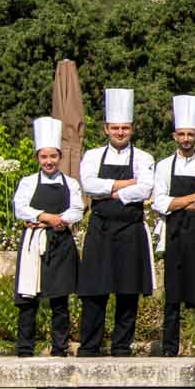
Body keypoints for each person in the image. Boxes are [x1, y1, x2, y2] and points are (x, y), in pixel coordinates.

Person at [77, 88, 154, 357]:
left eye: (125, 128)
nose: (120, 132)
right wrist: (127, 185)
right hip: (100, 228)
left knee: (128, 290)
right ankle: (89, 346)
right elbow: (88, 184)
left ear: (132, 128)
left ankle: (122, 346)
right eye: (115, 128)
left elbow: (145, 190)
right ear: (106, 129)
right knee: (94, 290)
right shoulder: (92, 156)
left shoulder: (144, 157)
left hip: (131, 229)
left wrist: (110, 190)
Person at [13, 115, 83, 356]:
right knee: (27, 299)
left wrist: (60, 220)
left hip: (61, 242)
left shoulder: (71, 183)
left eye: (53, 156)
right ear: (37, 158)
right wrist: (48, 217)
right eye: (44, 156)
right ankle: (24, 349)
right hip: (34, 244)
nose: (49, 161)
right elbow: (20, 208)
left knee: (60, 300)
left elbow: (77, 209)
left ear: (60, 157)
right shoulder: (27, 182)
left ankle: (60, 348)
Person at [157, 94, 195, 357]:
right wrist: (193, 198)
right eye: (181, 134)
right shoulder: (162, 166)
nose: (186, 138)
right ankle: (169, 349)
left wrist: (177, 202)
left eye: (190, 134)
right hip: (173, 235)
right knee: (172, 295)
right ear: (174, 136)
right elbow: (159, 202)